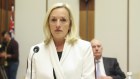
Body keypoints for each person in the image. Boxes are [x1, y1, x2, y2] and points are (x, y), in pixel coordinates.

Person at [25, 3, 95, 79]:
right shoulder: (36, 51)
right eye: (53, 20)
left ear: (70, 25)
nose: (58, 24)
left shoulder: (84, 48)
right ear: (48, 24)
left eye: (63, 20)